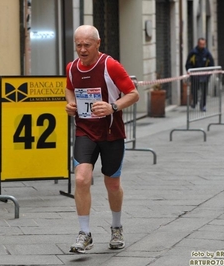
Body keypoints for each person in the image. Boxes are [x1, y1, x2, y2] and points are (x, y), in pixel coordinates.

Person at [65, 25, 139, 254]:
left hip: (111, 132)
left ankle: (116, 227)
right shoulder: (71, 67)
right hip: (85, 131)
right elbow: (69, 89)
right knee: (81, 179)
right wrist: (69, 105)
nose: (82, 49)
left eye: (87, 44)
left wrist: (112, 106)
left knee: (112, 183)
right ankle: (84, 233)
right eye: (78, 44)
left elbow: (133, 93)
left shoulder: (110, 65)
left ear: (98, 44)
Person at [185, 38, 215, 111]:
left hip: (204, 75)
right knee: (194, 90)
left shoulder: (207, 53)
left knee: (204, 91)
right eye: (201, 44)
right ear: (198, 44)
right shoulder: (193, 53)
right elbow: (188, 64)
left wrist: (209, 73)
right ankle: (194, 101)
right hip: (195, 75)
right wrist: (189, 71)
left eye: (203, 44)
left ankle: (203, 105)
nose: (202, 46)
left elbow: (211, 64)